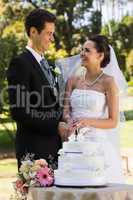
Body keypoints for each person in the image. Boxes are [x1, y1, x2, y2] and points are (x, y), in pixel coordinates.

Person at [7, 9, 65, 169]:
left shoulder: (50, 65)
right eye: (48, 33)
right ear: (33, 32)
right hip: (34, 151)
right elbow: (19, 111)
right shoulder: (20, 64)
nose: (52, 39)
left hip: (56, 149)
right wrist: (55, 125)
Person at [62, 35, 126, 183]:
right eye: (82, 50)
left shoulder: (108, 82)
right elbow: (65, 111)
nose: (82, 54)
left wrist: (87, 121)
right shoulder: (72, 80)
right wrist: (69, 121)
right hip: (74, 145)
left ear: (100, 56)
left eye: (87, 50)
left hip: (98, 147)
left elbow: (113, 121)